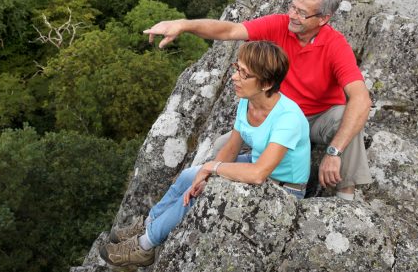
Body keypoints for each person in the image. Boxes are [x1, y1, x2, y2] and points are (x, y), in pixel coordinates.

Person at [143, 0, 372, 201]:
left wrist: (334, 152)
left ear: (324, 19)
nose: (293, 15)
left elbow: (361, 99)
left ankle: (345, 199)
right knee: (223, 146)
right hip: (277, 117)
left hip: (318, 117)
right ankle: (201, 197)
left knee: (349, 117)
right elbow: (230, 31)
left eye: (302, 13)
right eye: (292, 7)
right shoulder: (279, 25)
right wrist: (184, 25)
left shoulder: (335, 45)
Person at [99, 41, 310, 268]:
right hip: (257, 164)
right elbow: (232, 146)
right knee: (190, 176)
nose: (234, 77)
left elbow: (259, 174)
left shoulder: (288, 118)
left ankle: (145, 245)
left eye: (244, 74)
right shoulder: (247, 102)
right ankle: (150, 221)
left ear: (267, 83)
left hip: (282, 187)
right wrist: (205, 171)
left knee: (201, 193)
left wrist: (212, 169)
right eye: (236, 68)